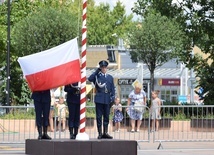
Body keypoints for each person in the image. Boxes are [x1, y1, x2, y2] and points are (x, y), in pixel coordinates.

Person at [88, 60, 115, 139]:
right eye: (102, 67)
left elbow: (113, 88)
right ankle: (100, 133)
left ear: (107, 68)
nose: (104, 68)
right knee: (99, 117)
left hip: (107, 99)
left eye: (105, 67)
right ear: (100, 68)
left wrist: (113, 98)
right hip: (99, 98)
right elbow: (90, 79)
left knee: (106, 116)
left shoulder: (110, 77)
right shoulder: (97, 76)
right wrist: (97, 71)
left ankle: (105, 132)